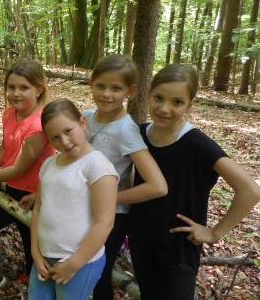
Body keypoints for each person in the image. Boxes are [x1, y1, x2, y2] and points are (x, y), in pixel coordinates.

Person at [128, 64, 260, 300]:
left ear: (190, 104)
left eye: (177, 102)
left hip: (178, 248)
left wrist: (215, 233)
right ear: (147, 94)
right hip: (141, 240)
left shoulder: (197, 144)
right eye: (158, 98)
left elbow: (249, 190)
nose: (164, 108)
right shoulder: (137, 134)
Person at [0, 59, 56, 297]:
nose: (15, 93)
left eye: (23, 87)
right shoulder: (10, 113)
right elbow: (5, 148)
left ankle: (32, 276)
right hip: (11, 187)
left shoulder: (38, 125)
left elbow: (19, 168)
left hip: (35, 194)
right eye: (11, 87)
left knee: (31, 238)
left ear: (39, 89)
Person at [84, 54, 168, 300]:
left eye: (116, 88)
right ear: (91, 83)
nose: (107, 94)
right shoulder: (87, 117)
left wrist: (111, 198)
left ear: (130, 91)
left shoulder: (126, 130)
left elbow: (157, 185)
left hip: (112, 216)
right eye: (101, 85)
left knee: (99, 274)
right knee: (84, 268)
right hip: (82, 207)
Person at [30, 99, 118, 300]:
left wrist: (74, 264)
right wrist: (35, 252)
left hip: (80, 262)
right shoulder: (49, 165)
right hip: (44, 257)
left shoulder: (97, 166)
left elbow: (105, 222)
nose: (65, 142)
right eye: (55, 138)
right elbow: (38, 209)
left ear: (83, 123)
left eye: (68, 131)